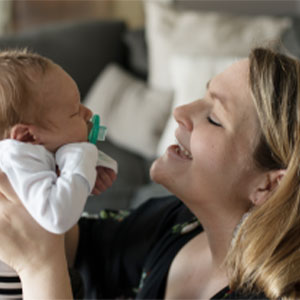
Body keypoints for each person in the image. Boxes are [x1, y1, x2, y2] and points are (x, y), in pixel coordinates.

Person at [0, 46, 298, 300]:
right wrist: (34, 180)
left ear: (269, 184)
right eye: (202, 95)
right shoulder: (177, 225)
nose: (180, 111)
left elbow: (46, 256)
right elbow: (83, 247)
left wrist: (39, 266)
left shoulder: (274, 292)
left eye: (213, 117)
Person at [0, 49, 117, 299]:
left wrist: (90, 166)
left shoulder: (24, 155)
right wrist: (81, 155)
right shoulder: (17, 159)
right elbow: (58, 215)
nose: (87, 114)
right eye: (75, 111)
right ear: (28, 136)